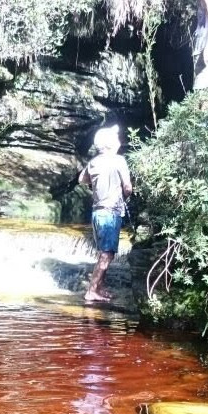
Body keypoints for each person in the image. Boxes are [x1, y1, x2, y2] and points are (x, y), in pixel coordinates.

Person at [79, 125, 132, 304]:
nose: (119, 140)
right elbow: (128, 187)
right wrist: (125, 195)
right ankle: (92, 291)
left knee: (105, 252)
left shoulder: (94, 162)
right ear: (110, 144)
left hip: (97, 212)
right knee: (107, 254)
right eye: (116, 137)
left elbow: (82, 179)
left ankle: (100, 287)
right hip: (110, 213)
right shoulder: (119, 161)